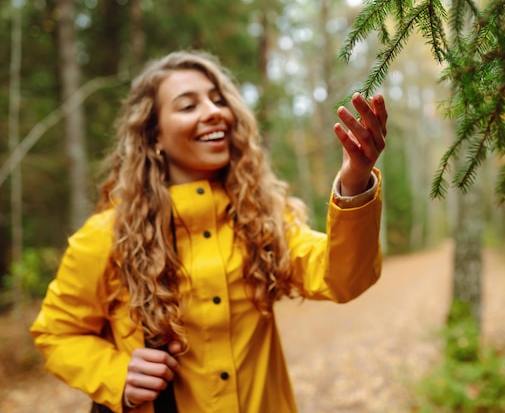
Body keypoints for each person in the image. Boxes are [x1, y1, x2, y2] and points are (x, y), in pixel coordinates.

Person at [30, 50, 388, 413]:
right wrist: (116, 374)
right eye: (188, 106)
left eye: (218, 100)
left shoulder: (262, 217)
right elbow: (56, 332)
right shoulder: (108, 235)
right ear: (154, 134)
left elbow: (343, 277)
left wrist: (355, 182)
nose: (214, 112)